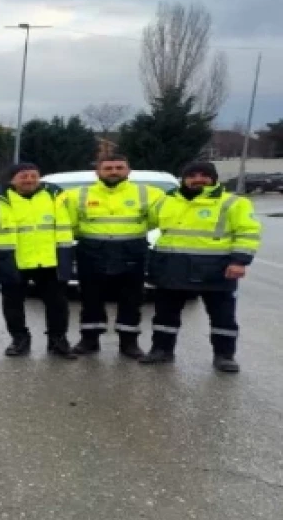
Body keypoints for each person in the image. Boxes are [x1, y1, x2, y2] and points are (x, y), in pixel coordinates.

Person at [142, 162, 260, 372]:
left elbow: (248, 233)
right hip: (172, 267)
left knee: (222, 316)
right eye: (192, 175)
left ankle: (224, 356)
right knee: (165, 315)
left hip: (216, 269)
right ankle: (161, 350)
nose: (198, 179)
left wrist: (239, 261)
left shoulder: (234, 203)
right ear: (183, 178)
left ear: (214, 178)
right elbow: (145, 224)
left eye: (204, 175)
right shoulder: (165, 201)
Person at [59, 155, 167, 358]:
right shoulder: (76, 195)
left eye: (119, 167)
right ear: (97, 171)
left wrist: (126, 234)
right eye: (108, 168)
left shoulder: (151, 193)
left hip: (132, 250)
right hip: (91, 250)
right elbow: (70, 224)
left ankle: (129, 343)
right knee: (90, 298)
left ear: (128, 170)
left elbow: (156, 220)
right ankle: (89, 340)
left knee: (132, 298)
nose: (114, 171)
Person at [0, 163, 77, 359]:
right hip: (12, 261)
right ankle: (19, 340)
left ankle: (58, 341)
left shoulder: (57, 198)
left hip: (50, 261)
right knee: (12, 304)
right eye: (23, 176)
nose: (29, 180)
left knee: (57, 304)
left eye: (33, 176)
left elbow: (73, 222)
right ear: (11, 180)